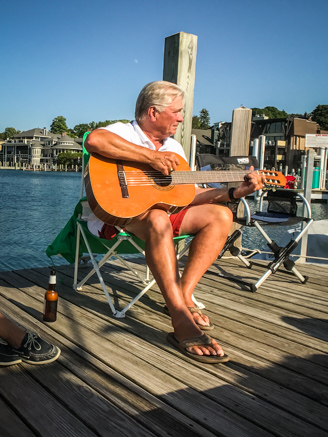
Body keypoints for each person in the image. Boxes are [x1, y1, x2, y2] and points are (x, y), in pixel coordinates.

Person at [85, 81, 264, 364]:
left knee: (221, 215)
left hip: (163, 212)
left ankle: (184, 294)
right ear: (153, 113)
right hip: (119, 213)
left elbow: (185, 192)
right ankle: (180, 318)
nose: (182, 118)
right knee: (157, 218)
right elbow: (95, 141)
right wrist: (152, 157)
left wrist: (233, 193)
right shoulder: (124, 131)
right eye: (177, 111)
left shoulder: (175, 147)